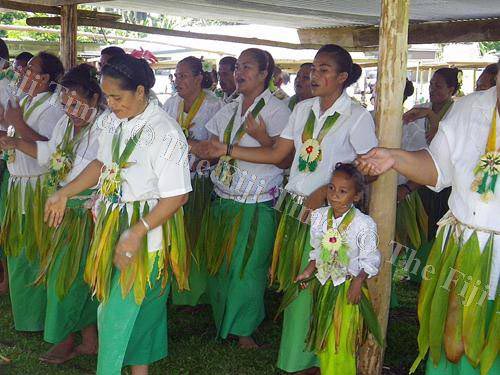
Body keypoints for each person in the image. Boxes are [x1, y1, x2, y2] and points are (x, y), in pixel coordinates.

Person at [196, 44, 377, 373]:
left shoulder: (357, 116)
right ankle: (300, 357)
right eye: (313, 68)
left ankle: (322, 356)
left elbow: (369, 167)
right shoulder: (303, 109)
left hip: (332, 214)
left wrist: (328, 187)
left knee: (328, 284)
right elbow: (278, 154)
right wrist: (228, 149)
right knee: (300, 283)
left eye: (324, 70)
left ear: (342, 77)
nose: (314, 75)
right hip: (297, 208)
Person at [44, 54, 192, 375]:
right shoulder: (111, 121)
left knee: (114, 312)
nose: (110, 104)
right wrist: (65, 191)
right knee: (136, 308)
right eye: (107, 96)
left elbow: (178, 195)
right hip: (114, 221)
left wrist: (136, 231)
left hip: (147, 226)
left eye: (117, 97)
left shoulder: (166, 133)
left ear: (141, 92)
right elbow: (102, 164)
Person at [356, 64, 500, 375]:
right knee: (450, 342)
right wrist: (394, 157)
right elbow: (436, 167)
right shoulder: (469, 108)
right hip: (462, 244)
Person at [0, 64, 102, 364]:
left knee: (69, 277)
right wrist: (15, 142)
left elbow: (94, 170)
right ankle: (87, 339)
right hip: (64, 209)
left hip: (87, 213)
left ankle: (67, 339)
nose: (69, 109)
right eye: (65, 102)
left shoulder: (105, 128)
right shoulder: (66, 126)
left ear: (94, 100)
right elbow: (51, 155)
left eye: (76, 102)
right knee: (69, 275)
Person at [191, 48, 290, 349]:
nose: (239, 72)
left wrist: (255, 141)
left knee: (249, 267)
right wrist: (199, 152)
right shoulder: (231, 105)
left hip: (256, 200)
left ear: (264, 75)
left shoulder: (277, 110)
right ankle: (223, 320)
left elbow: (284, 160)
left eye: (247, 67)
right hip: (224, 196)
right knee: (221, 264)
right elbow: (212, 144)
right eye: (237, 66)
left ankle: (244, 328)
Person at [295, 163, 382, 374]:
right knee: (325, 336)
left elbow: (371, 259)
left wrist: (358, 282)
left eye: (343, 191)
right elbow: (317, 250)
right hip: (325, 285)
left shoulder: (363, 224)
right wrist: (308, 270)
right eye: (331, 188)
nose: (334, 195)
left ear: (357, 196)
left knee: (341, 340)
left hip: (347, 287)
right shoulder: (319, 217)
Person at [0, 51, 65, 331]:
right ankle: (25, 317)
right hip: (17, 183)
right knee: (19, 250)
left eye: (31, 70)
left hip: (38, 186)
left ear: (46, 79)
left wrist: (17, 125)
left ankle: (39, 318)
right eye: (25, 69)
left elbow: (50, 147)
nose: (24, 73)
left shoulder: (54, 107)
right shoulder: (24, 100)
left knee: (37, 251)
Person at [163, 56, 222, 306]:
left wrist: (201, 159)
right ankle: (173, 286)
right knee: (173, 233)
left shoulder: (214, 106)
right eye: (176, 76)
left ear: (199, 78)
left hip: (200, 181)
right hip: (171, 180)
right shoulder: (169, 104)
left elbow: (217, 147)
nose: (178, 81)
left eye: (184, 76)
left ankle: (195, 292)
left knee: (195, 234)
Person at [398, 68, 461, 282]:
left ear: (451, 90)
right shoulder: (420, 109)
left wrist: (431, 116)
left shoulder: (457, 111)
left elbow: (437, 144)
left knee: (436, 226)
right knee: (421, 227)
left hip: (445, 181)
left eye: (438, 86)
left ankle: (433, 274)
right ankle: (417, 274)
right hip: (419, 177)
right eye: (431, 84)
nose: (432, 89)